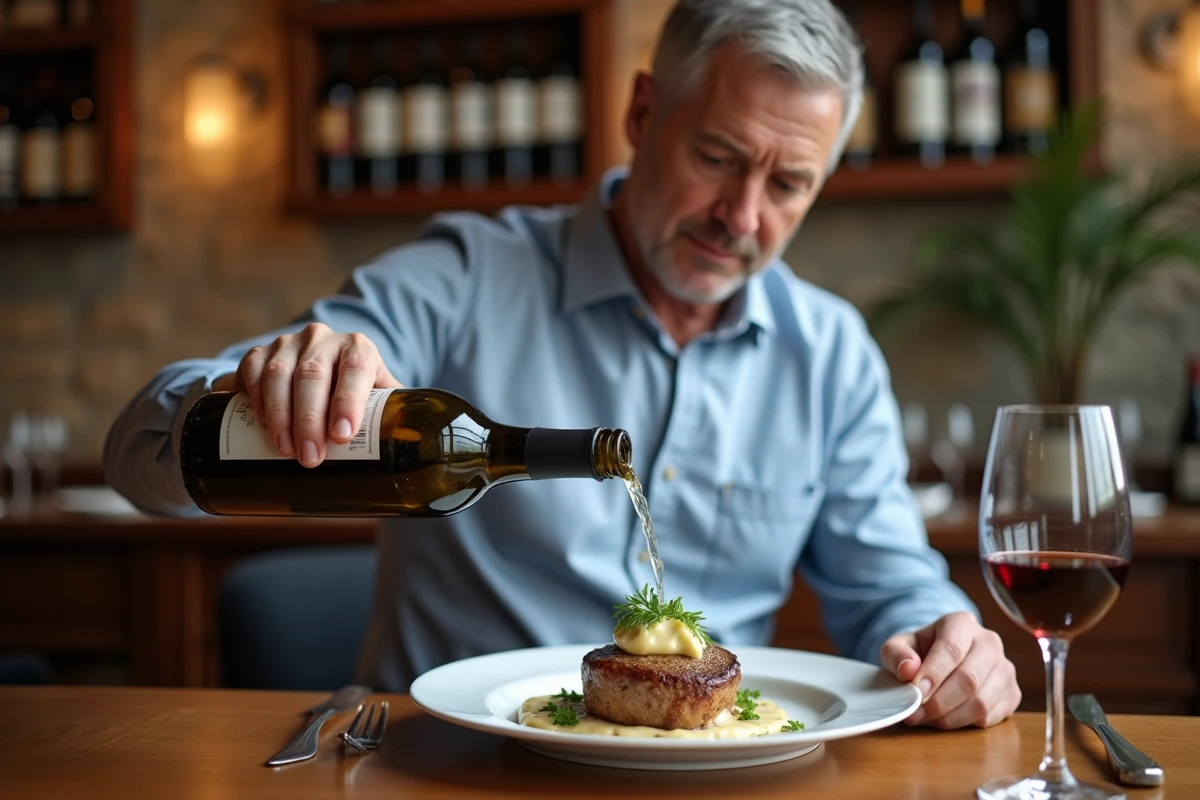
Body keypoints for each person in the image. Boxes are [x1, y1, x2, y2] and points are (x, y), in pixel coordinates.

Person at [104, 0, 1020, 729]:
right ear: (642, 113)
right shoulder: (464, 277)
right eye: (717, 157)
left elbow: (888, 589)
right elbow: (137, 454)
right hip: (447, 771)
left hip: (709, 773)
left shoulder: (832, 354)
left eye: (788, 184)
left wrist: (944, 646)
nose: (742, 217)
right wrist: (263, 386)